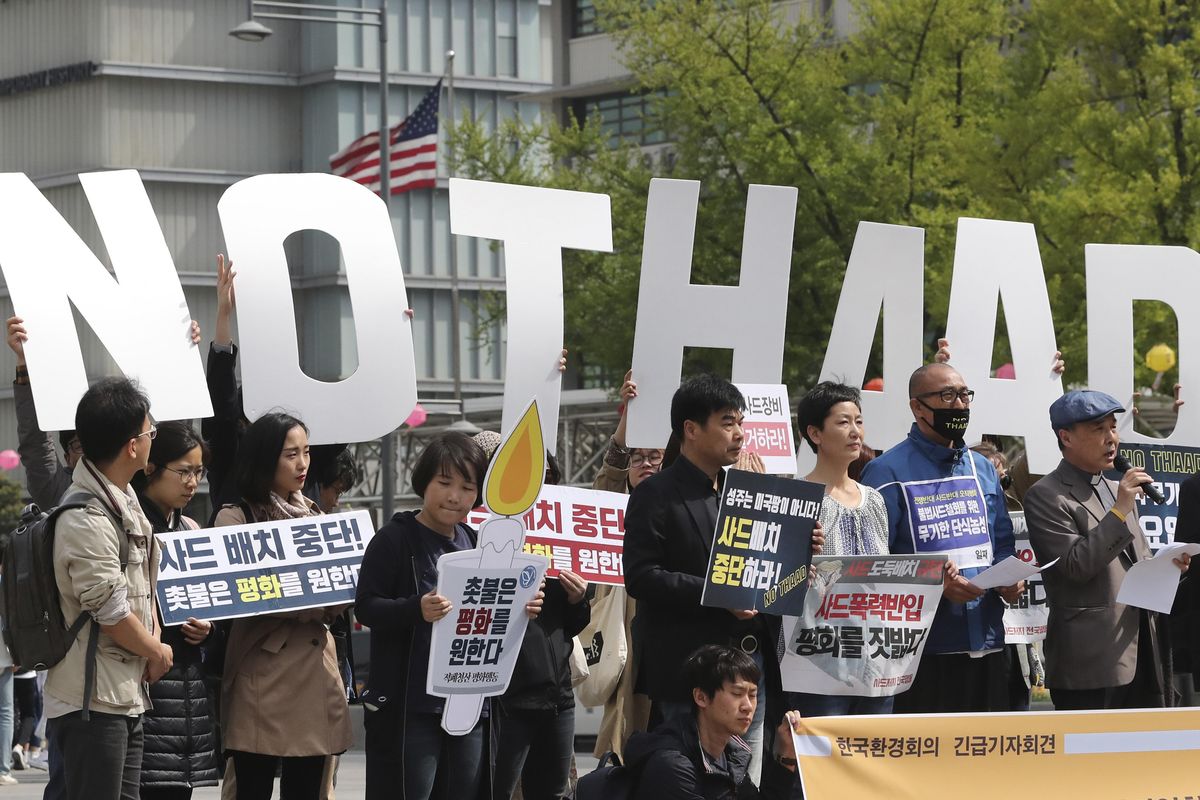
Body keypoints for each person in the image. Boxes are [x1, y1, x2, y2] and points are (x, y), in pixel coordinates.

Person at [623, 375, 823, 785]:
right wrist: (717, 595)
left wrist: (800, 549)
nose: (739, 434)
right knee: (693, 776)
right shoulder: (656, 494)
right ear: (691, 430)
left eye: (741, 423)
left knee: (743, 775)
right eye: (728, 422)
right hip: (690, 671)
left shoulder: (744, 494)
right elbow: (641, 577)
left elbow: (763, 569)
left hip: (751, 666)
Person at [355, 432, 544, 800]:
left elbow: (493, 615)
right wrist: (415, 608)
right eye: (444, 483)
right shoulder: (394, 539)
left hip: (470, 701)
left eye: (467, 487)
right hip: (412, 706)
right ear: (424, 482)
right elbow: (366, 607)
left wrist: (524, 606)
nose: (455, 496)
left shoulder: (478, 543)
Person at [860, 363, 1022, 713]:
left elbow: (1002, 543)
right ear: (917, 407)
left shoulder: (982, 469)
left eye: (965, 395)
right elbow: (871, 564)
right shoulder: (886, 472)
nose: (960, 405)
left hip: (989, 644)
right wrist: (934, 584)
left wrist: (1010, 582)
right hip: (921, 655)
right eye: (947, 396)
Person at [45, 377, 173, 800]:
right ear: (132, 445)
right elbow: (112, 611)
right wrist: (156, 651)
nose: (154, 438)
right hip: (91, 703)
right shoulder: (85, 516)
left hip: (123, 692)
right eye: (150, 431)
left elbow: (141, 587)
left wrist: (152, 645)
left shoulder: (123, 499)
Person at [215, 412, 351, 800]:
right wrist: (309, 598)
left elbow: (338, 588)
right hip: (262, 667)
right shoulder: (236, 517)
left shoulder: (317, 516)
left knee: (308, 787)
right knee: (252, 785)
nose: (303, 463)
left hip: (313, 669)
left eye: (306, 452)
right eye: (291, 453)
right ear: (264, 457)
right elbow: (240, 592)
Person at [1024, 390, 1188, 710]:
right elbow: (1076, 567)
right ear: (1066, 437)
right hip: (1090, 663)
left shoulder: (1115, 489)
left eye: (1113, 427)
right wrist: (1120, 509)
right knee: (1092, 758)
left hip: (1142, 651)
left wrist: (1168, 568)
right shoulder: (1047, 495)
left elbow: (1136, 564)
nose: (1111, 438)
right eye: (1098, 429)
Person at [785, 381, 891, 718]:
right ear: (815, 434)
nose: (855, 432)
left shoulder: (874, 499)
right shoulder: (794, 498)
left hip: (876, 660)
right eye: (843, 422)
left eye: (858, 421)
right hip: (816, 660)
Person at [132, 421, 221, 800]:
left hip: (187, 690)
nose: (192, 482)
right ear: (151, 467)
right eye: (183, 471)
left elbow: (210, 602)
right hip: (148, 684)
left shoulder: (189, 528)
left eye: (198, 472)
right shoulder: (132, 525)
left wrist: (209, 628)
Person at [494, 455, 590, 800]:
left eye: (548, 477)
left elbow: (571, 626)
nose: (539, 485)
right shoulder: (488, 533)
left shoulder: (561, 537)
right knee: (496, 790)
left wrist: (579, 599)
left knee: (553, 793)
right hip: (507, 699)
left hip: (557, 697)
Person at [623, 645, 800, 800]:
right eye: (737, 694)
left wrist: (787, 756)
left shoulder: (731, 755)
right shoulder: (672, 766)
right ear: (701, 697)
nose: (748, 706)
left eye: (752, 695)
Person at [589, 370, 659, 761]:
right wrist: (628, 417)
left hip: (668, 629)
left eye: (655, 457)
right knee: (625, 731)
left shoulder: (681, 504)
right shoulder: (614, 505)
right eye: (638, 458)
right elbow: (609, 475)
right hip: (626, 627)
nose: (646, 464)